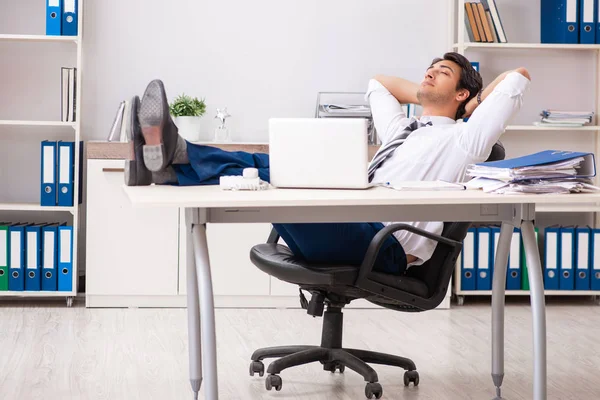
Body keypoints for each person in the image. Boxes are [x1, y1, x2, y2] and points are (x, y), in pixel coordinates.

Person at [124, 52, 531, 276]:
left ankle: (172, 162)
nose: (428, 73)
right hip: (353, 219)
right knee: (271, 164)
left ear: (462, 94)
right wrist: (430, 91)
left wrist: (472, 106)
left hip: (383, 244)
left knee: (287, 182)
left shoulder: (465, 139)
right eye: (428, 68)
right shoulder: (402, 130)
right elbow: (378, 84)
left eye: (442, 73)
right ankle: (170, 162)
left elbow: (518, 76)